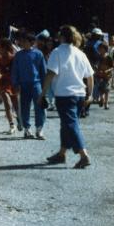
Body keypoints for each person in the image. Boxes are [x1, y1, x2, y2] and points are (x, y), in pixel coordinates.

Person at [40, 25, 93, 169]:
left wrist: (42, 93)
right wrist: (90, 94)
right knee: (67, 124)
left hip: (64, 94)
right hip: (80, 95)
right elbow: (90, 76)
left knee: (71, 124)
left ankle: (84, 155)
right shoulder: (80, 53)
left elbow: (50, 74)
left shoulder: (57, 52)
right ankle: (62, 153)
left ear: (61, 37)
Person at [10, 31, 48, 139]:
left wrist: (45, 87)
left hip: (36, 84)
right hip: (23, 85)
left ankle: (39, 129)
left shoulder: (38, 54)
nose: (22, 43)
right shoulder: (18, 55)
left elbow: (43, 71)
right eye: (21, 41)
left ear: (32, 42)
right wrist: (15, 83)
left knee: (39, 107)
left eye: (24, 41)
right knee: (24, 107)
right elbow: (15, 71)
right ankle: (27, 129)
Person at [0, 39, 19, 134]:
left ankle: (19, 120)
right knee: (7, 103)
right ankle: (11, 125)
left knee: (16, 105)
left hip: (13, 84)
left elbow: (17, 72)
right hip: (3, 84)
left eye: (0, 48)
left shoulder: (14, 59)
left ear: (5, 48)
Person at [94, 42, 114, 110]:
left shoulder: (109, 57)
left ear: (105, 49)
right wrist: (96, 69)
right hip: (99, 75)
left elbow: (112, 67)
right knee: (101, 88)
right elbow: (95, 65)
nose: (100, 50)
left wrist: (107, 71)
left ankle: (106, 103)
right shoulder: (98, 57)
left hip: (107, 76)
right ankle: (102, 99)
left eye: (101, 49)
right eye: (99, 49)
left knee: (107, 90)